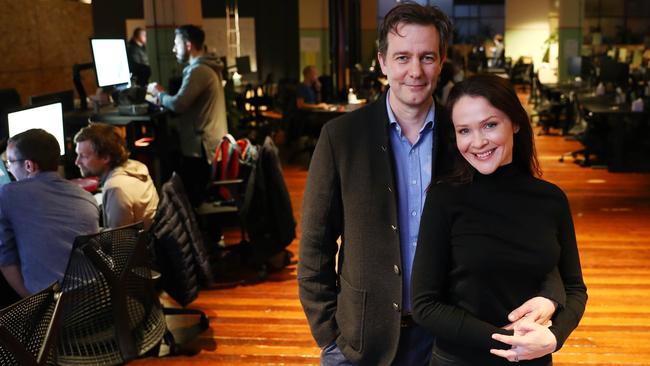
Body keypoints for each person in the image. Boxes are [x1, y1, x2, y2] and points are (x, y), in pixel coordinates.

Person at [298, 4, 563, 365]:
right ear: (382, 61)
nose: (415, 71)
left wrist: (550, 296)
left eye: (426, 57)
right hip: (360, 340)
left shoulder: (465, 139)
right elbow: (315, 245)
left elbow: (525, 229)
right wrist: (328, 333)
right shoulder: (341, 138)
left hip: (447, 338)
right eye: (402, 57)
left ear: (441, 61)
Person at [411, 74, 588, 365]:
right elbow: (425, 305)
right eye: (464, 131)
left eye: (490, 125)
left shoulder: (551, 199)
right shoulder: (445, 197)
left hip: (534, 358)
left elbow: (574, 288)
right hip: (461, 359)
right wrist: (509, 342)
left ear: (515, 123)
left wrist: (555, 337)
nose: (478, 142)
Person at [0, 129, 99, 307]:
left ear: (29, 166)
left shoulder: (7, 194)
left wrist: (36, 304)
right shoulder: (87, 196)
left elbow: (5, 260)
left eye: (10, 163)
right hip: (96, 303)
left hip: (56, 314)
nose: (9, 169)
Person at [148, 24, 228, 206]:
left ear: (189, 45)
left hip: (200, 148)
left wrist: (158, 93)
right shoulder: (207, 67)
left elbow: (178, 104)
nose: (174, 49)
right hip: (207, 145)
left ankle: (201, 234)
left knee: (192, 200)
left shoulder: (199, 70)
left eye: (177, 43)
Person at [74, 123, 159, 230]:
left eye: (84, 156)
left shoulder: (116, 188)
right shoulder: (135, 166)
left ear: (105, 157)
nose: (77, 162)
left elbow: (120, 243)